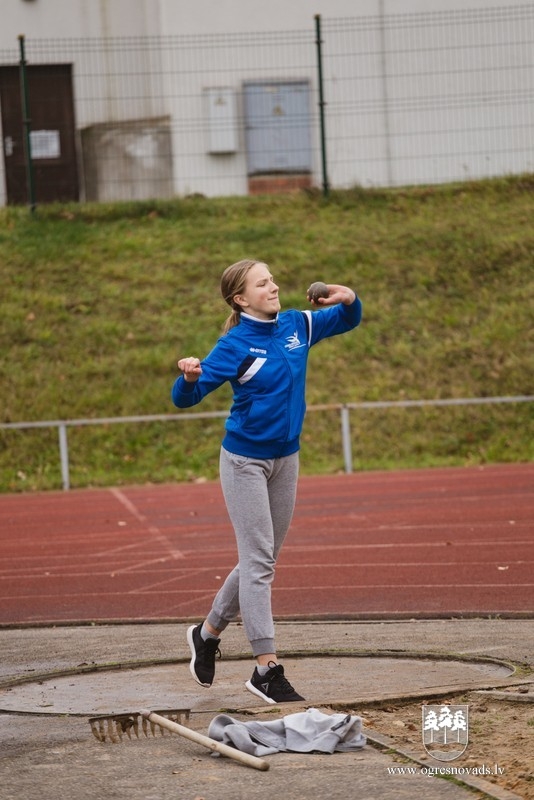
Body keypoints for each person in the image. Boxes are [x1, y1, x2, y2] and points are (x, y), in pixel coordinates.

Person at [171, 259, 362, 704]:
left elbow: (348, 319)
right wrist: (189, 377)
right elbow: (187, 398)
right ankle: (266, 669)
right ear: (240, 298)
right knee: (259, 562)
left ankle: (207, 633)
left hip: (286, 459)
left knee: (262, 558)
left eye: (273, 279)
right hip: (244, 463)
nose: (274, 286)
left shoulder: (298, 325)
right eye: (263, 283)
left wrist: (349, 298)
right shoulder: (234, 344)